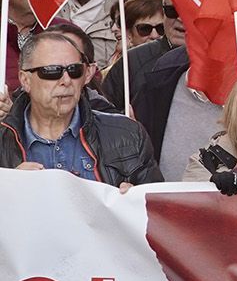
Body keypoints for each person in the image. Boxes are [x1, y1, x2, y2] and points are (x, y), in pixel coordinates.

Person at [0, 30, 161, 188]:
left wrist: (136, 201)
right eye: (52, 71)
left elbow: (159, 208)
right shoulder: (3, 140)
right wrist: (9, 188)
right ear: (25, 80)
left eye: (74, 70)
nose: (66, 80)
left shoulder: (128, 134)